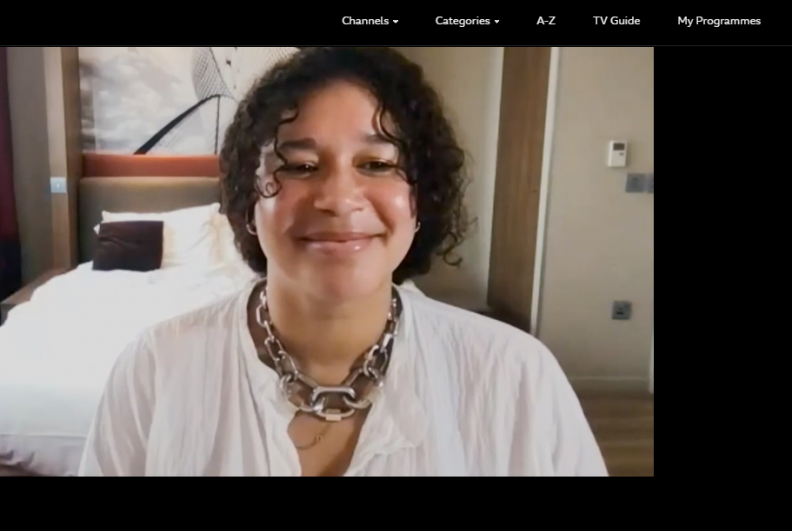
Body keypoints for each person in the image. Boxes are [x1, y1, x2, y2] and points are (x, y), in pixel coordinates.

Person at [77, 47, 608, 476]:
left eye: (377, 163)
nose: (338, 197)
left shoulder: (515, 377)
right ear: (248, 199)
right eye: (301, 165)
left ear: (421, 199)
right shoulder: (155, 368)